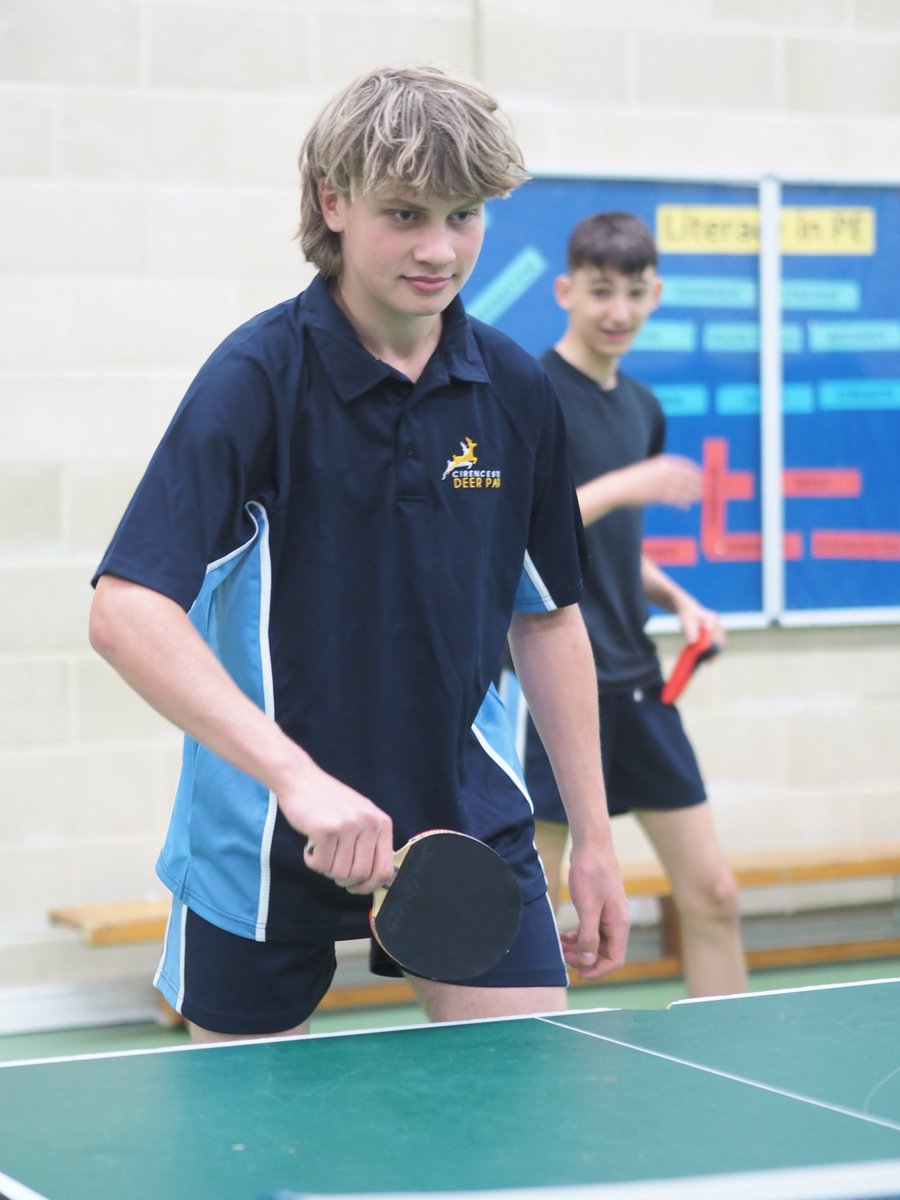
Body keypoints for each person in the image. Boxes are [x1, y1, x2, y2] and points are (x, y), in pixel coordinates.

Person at [87, 67, 629, 1043]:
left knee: (522, 1144)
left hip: (467, 821)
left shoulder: (512, 389)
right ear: (334, 202)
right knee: (241, 1164)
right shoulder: (253, 382)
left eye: (464, 214)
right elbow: (125, 608)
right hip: (262, 839)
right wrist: (296, 778)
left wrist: (592, 835)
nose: (439, 248)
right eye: (406, 212)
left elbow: (546, 615)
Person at [500, 211, 747, 998]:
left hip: (637, 683)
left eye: (635, 293)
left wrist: (679, 595)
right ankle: (521, 1074)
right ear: (567, 289)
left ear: (656, 295)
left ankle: (733, 1065)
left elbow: (607, 549)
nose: (618, 311)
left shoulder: (641, 405)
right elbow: (520, 539)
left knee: (713, 892)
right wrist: (623, 487)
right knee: (528, 911)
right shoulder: (528, 394)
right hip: (553, 689)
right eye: (601, 291)